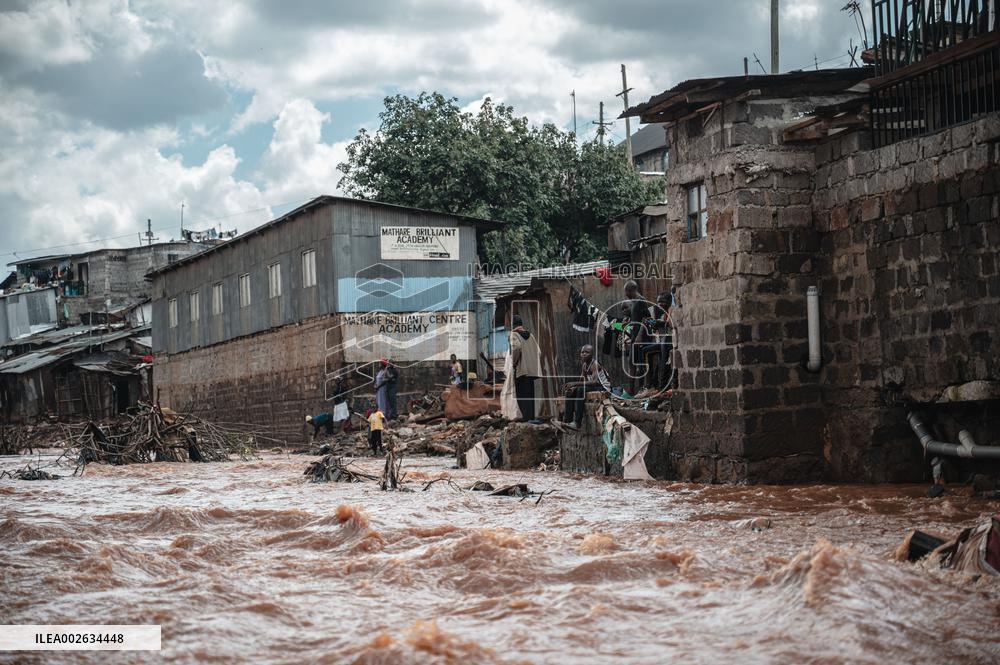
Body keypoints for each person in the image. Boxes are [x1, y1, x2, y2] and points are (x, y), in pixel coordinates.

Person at [559, 345, 608, 429]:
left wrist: (574, 384)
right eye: (582, 352)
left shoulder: (595, 364)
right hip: (594, 386)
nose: (584, 354)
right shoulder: (584, 365)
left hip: (603, 386)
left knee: (580, 390)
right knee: (570, 392)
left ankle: (577, 423)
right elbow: (582, 381)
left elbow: (594, 382)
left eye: (587, 352)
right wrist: (573, 388)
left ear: (592, 354)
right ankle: (567, 421)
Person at [632, 292, 674, 390]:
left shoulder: (672, 310)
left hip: (670, 342)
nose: (659, 304)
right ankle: (650, 381)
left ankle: (652, 383)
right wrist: (654, 324)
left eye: (662, 302)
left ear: (669, 301)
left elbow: (671, 325)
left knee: (659, 360)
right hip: (663, 342)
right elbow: (658, 329)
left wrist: (661, 323)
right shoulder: (663, 314)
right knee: (644, 350)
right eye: (658, 302)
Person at [508, 315, 541, 421]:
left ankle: (527, 418)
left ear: (513, 325)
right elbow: (539, 352)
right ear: (521, 324)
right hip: (532, 371)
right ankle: (531, 417)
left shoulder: (514, 335)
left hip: (522, 370)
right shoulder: (531, 335)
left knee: (521, 394)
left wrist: (514, 362)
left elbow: (516, 348)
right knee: (530, 394)